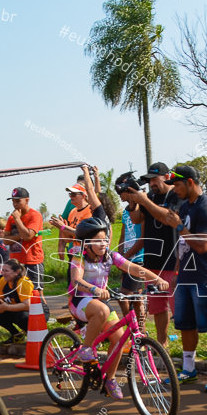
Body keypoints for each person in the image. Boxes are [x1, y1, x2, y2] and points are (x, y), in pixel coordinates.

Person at [68, 218, 169, 399]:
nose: (103, 243)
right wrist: (94, 289)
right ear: (86, 243)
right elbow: (76, 281)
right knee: (102, 311)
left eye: (105, 239)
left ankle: (110, 378)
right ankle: (86, 349)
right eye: (98, 240)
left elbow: (134, 268)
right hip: (79, 301)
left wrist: (157, 279)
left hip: (100, 301)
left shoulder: (110, 256)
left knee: (120, 339)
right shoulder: (79, 257)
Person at [166, 165, 207, 392]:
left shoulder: (206, 207)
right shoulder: (186, 205)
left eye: (178, 185)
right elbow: (184, 245)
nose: (175, 190)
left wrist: (179, 226)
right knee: (185, 324)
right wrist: (177, 270)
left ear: (190, 182)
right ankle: (188, 369)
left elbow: (202, 246)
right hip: (186, 275)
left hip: (205, 275)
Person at [125, 162, 179, 348]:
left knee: (178, 309)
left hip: (174, 260)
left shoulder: (175, 194)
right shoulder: (151, 196)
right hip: (153, 261)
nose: (152, 184)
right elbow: (137, 219)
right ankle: (162, 344)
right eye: (149, 181)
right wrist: (133, 203)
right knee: (158, 308)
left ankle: (189, 352)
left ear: (166, 176)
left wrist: (145, 201)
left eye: (155, 179)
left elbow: (167, 217)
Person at [114, 173, 146, 319]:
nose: (120, 197)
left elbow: (143, 239)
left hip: (138, 258)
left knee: (124, 295)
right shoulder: (126, 211)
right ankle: (138, 330)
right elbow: (123, 234)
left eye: (121, 193)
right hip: (126, 258)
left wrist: (125, 258)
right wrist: (120, 254)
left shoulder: (141, 207)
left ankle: (132, 326)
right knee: (136, 297)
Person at [2, 187, 45, 291]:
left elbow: (27, 236)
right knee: (17, 293)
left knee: (35, 294)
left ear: (27, 200)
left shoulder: (35, 215)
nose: (15, 204)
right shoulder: (11, 218)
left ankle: (42, 308)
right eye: (13, 201)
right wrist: (19, 236)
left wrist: (17, 219)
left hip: (32, 261)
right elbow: (5, 240)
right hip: (16, 262)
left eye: (18, 201)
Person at [0, 259, 37, 344]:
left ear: (17, 272)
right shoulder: (2, 281)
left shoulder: (23, 282)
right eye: (2, 270)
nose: (3, 273)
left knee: (22, 316)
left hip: (36, 311)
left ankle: (34, 337)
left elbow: (27, 306)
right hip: (17, 309)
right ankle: (17, 335)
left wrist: (6, 307)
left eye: (6, 271)